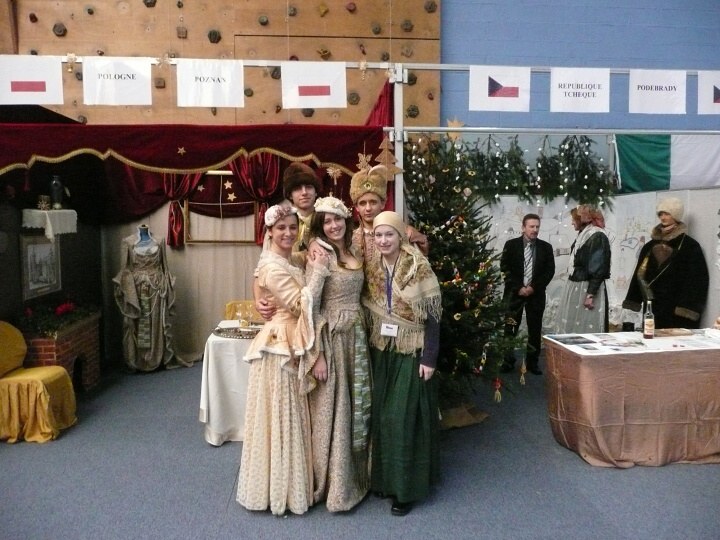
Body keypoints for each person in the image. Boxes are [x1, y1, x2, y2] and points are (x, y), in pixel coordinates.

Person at [236, 203, 329, 516]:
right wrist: (319, 271)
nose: (288, 233)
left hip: (290, 338)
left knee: (289, 414)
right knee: (283, 414)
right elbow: (300, 305)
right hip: (280, 347)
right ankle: (282, 491)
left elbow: (264, 273)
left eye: (292, 227)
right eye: (281, 229)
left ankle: (288, 483)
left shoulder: (286, 259)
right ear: (269, 232)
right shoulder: (274, 266)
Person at [362, 211, 442, 516]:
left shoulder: (418, 267)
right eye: (378, 235)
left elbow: (433, 315)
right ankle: (385, 481)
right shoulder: (373, 268)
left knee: (403, 418)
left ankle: (406, 490)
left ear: (400, 237)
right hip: (383, 350)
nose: (383, 240)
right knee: (383, 417)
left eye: (389, 234)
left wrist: (429, 358)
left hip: (412, 350)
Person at [303, 196, 372, 512]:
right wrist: (316, 354)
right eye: (327, 221)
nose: (333, 225)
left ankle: (357, 476)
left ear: (346, 220)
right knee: (335, 410)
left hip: (356, 336)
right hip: (331, 339)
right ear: (320, 225)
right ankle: (334, 485)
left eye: (337, 219)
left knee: (356, 405)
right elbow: (311, 305)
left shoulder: (354, 249)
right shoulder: (319, 255)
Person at [622, 197, 709, 329]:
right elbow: (638, 276)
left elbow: (697, 281)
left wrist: (687, 308)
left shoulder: (689, 247)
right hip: (652, 309)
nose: (663, 218)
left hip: (676, 312)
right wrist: (632, 301)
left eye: (667, 213)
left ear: (676, 215)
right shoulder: (649, 247)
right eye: (660, 214)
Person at [113, 224, 188, 371]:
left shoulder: (159, 240)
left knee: (157, 320)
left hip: (157, 287)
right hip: (136, 288)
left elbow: (164, 267)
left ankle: (157, 357)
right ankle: (138, 360)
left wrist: (167, 285)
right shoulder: (128, 241)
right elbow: (124, 268)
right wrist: (126, 288)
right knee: (137, 320)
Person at [500, 214, 555, 375]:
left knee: (535, 330)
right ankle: (508, 361)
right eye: (531, 226)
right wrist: (518, 287)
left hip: (535, 295)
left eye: (537, 226)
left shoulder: (546, 247)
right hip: (514, 294)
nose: (535, 230)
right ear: (523, 228)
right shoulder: (511, 245)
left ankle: (533, 363)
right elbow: (505, 268)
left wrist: (533, 288)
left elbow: (549, 271)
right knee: (510, 329)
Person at [350, 165, 429, 260]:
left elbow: (418, 264)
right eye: (362, 203)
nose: (368, 208)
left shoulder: (403, 232)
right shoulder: (350, 239)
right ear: (356, 207)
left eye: (373, 202)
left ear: (383, 204)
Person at [556, 205, 611, 334]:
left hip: (587, 288)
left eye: (574, 219)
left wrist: (590, 294)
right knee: (573, 327)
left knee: (587, 327)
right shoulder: (584, 235)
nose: (572, 222)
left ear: (582, 219)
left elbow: (599, 267)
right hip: (577, 286)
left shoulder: (597, 236)